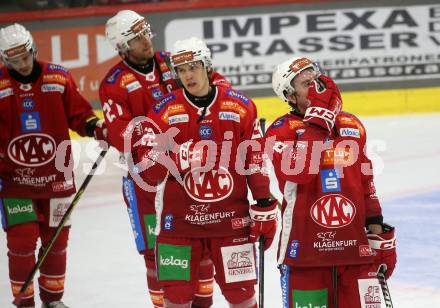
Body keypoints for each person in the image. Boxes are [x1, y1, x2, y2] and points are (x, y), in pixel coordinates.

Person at [99, 10, 229, 307]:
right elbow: (121, 133)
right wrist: (153, 139)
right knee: (156, 253)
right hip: (146, 178)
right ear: (122, 48)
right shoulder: (113, 83)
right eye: (136, 38)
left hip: (191, 170)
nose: (146, 41)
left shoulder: (171, 59)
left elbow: (216, 84)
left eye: (145, 32)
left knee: (202, 243)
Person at [135, 37, 277, 307]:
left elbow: (255, 160)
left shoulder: (240, 106)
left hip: (230, 222)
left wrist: (264, 204)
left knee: (242, 295)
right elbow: (147, 170)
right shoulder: (161, 112)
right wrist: (180, 157)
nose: (188, 75)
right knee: (176, 297)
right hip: (178, 225)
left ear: (207, 65)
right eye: (182, 69)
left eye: (194, 67)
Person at [265, 56, 397, 308]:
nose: (317, 88)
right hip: (305, 254)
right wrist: (319, 119)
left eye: (317, 80)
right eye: (306, 84)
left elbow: (366, 182)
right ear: (290, 95)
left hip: (354, 252)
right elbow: (300, 171)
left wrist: (378, 233)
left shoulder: (351, 125)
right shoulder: (279, 131)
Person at [0, 24, 107, 308]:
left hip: (56, 179)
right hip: (15, 182)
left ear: (33, 50)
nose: (22, 65)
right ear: (4, 60)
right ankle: (25, 303)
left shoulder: (58, 77)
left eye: (25, 57)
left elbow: (80, 114)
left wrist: (97, 127)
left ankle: (52, 300)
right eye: (14, 61)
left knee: (56, 243)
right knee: (22, 243)